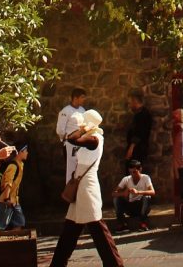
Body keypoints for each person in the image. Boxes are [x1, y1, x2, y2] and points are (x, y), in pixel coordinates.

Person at [50, 109, 124, 267]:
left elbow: (73, 139)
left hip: (88, 186)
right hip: (80, 183)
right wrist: (83, 128)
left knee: (97, 227)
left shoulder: (95, 139)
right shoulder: (89, 138)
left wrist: (82, 128)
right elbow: (71, 139)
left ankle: (115, 264)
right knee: (70, 228)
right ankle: (57, 264)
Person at [112, 159, 155, 231]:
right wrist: (123, 193)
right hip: (131, 207)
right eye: (130, 172)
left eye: (134, 172)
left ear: (140, 169)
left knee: (147, 197)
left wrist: (138, 192)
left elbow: (152, 192)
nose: (132, 174)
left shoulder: (145, 177)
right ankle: (122, 224)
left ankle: (143, 223)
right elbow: (113, 193)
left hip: (142, 206)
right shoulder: (126, 179)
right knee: (116, 199)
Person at [56, 87, 87, 183]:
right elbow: (60, 129)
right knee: (71, 170)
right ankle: (69, 192)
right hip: (70, 145)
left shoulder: (83, 110)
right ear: (75, 98)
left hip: (81, 145)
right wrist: (67, 138)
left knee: (80, 170)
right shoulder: (65, 111)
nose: (84, 99)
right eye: (82, 97)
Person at [0, 145, 28, 231]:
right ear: (20, 152)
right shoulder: (13, 166)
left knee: (19, 222)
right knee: (2, 225)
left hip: (14, 201)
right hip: (7, 200)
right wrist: (6, 199)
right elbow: (8, 183)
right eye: (25, 151)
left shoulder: (20, 165)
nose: (27, 153)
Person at [125, 91, 152, 170]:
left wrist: (131, 148)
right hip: (137, 149)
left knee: (133, 172)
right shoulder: (140, 114)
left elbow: (140, 133)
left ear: (135, 101)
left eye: (130, 103)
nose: (129, 105)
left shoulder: (143, 115)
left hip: (137, 150)